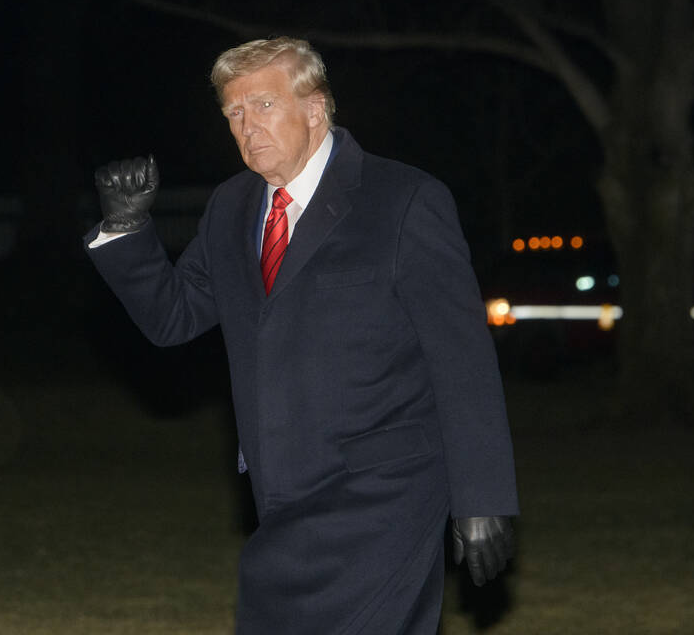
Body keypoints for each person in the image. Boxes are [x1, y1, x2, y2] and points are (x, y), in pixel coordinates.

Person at [85, 37, 518, 634]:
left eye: (262, 106)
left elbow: (463, 360)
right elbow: (173, 317)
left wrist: (482, 496)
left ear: (315, 108)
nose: (245, 126)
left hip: (386, 494)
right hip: (281, 494)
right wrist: (126, 228)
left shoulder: (402, 200)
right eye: (233, 113)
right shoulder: (233, 207)